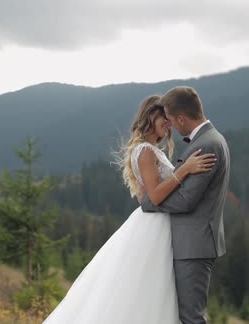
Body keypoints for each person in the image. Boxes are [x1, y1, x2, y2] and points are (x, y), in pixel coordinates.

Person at [42, 93, 217, 323]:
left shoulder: (148, 149)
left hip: (159, 224)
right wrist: (185, 170)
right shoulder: (145, 151)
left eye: (169, 118)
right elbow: (154, 196)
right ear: (150, 117)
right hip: (154, 227)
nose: (168, 122)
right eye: (163, 117)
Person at [141, 86, 230, 324]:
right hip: (193, 242)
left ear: (181, 118)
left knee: (191, 317)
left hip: (194, 244)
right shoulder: (210, 139)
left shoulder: (207, 145)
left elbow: (185, 200)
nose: (169, 125)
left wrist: (150, 202)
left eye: (170, 118)